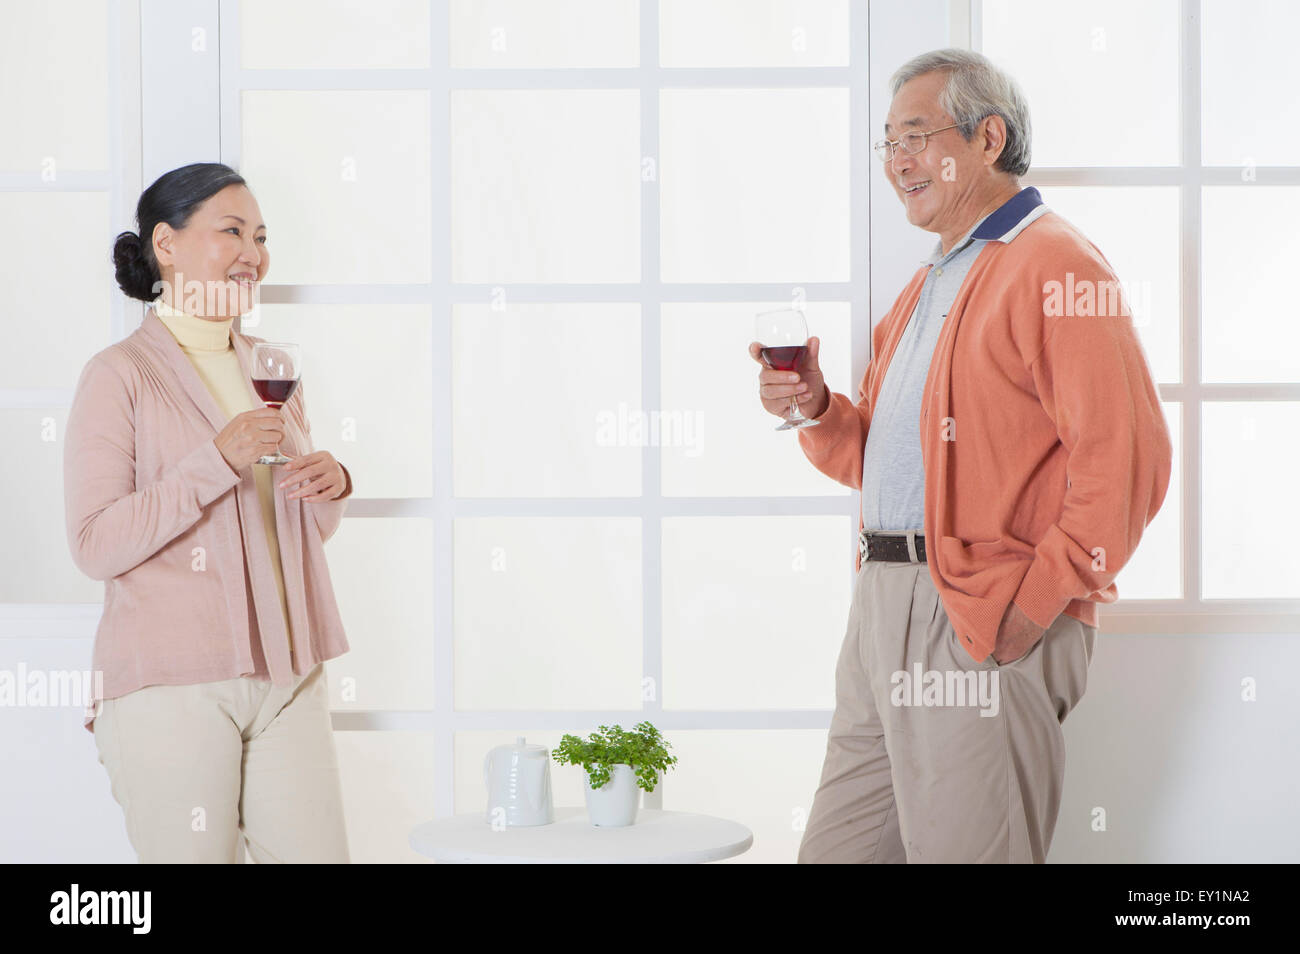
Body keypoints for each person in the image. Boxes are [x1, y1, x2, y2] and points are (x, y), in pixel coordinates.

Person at [750, 49, 1172, 863]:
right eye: (888, 142)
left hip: (976, 612)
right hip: (882, 607)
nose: (897, 160)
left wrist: (1028, 605)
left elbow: (1128, 464)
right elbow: (886, 463)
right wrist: (819, 408)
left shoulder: (1058, 265)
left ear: (988, 137)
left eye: (917, 135)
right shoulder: (929, 282)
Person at [65, 162, 354, 863]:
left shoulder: (272, 365)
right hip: (171, 687)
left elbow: (301, 529)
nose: (253, 253)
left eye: (261, 236)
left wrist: (329, 486)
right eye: (232, 231)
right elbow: (94, 543)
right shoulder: (119, 375)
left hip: (289, 676)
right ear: (167, 244)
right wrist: (214, 462)